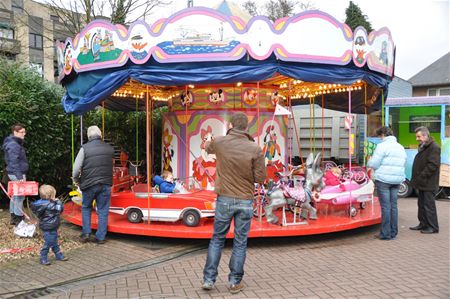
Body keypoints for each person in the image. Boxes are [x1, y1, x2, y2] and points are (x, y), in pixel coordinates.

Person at [202, 112, 266, 294]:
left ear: (230, 125)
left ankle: (208, 279)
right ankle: (234, 281)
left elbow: (207, 147)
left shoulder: (221, 142)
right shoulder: (255, 148)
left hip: (224, 199)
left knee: (217, 239)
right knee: (240, 242)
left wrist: (208, 141)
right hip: (245, 200)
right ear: (246, 127)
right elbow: (261, 177)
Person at [72, 126, 114, 244]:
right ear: (100, 134)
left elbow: (76, 168)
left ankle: (86, 233)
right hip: (106, 183)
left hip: (89, 184)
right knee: (103, 210)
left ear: (88, 136)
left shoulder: (85, 148)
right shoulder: (109, 149)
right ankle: (101, 237)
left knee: (86, 207)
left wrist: (76, 179)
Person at [367, 126, 407, 240]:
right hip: (397, 180)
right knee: (393, 206)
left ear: (383, 135)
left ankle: (385, 234)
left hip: (384, 180)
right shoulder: (400, 146)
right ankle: (394, 232)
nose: (380, 139)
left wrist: (369, 161)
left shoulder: (382, 146)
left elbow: (374, 164)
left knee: (385, 207)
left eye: (380, 136)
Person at [410, 126, 440, 234]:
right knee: (421, 204)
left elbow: (433, 165)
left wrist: (422, 176)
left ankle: (433, 227)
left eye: (418, 136)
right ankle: (423, 224)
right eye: (417, 136)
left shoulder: (434, 147)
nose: (417, 138)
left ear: (425, 135)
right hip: (422, 182)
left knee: (429, 205)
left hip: (428, 182)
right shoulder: (424, 146)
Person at [31, 184, 68, 265]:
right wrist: (58, 201)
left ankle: (58, 254)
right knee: (48, 242)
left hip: (46, 225)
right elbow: (59, 210)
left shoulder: (40, 204)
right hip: (50, 226)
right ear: (50, 196)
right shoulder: (51, 205)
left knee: (54, 241)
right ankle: (43, 256)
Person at [2, 123, 29, 225]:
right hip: (17, 173)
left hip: (14, 172)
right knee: (20, 196)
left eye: (24, 132)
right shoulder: (13, 145)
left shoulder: (13, 142)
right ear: (15, 132)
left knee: (14, 195)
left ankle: (13, 217)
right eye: (22, 132)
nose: (24, 134)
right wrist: (19, 176)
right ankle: (18, 219)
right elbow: (14, 162)